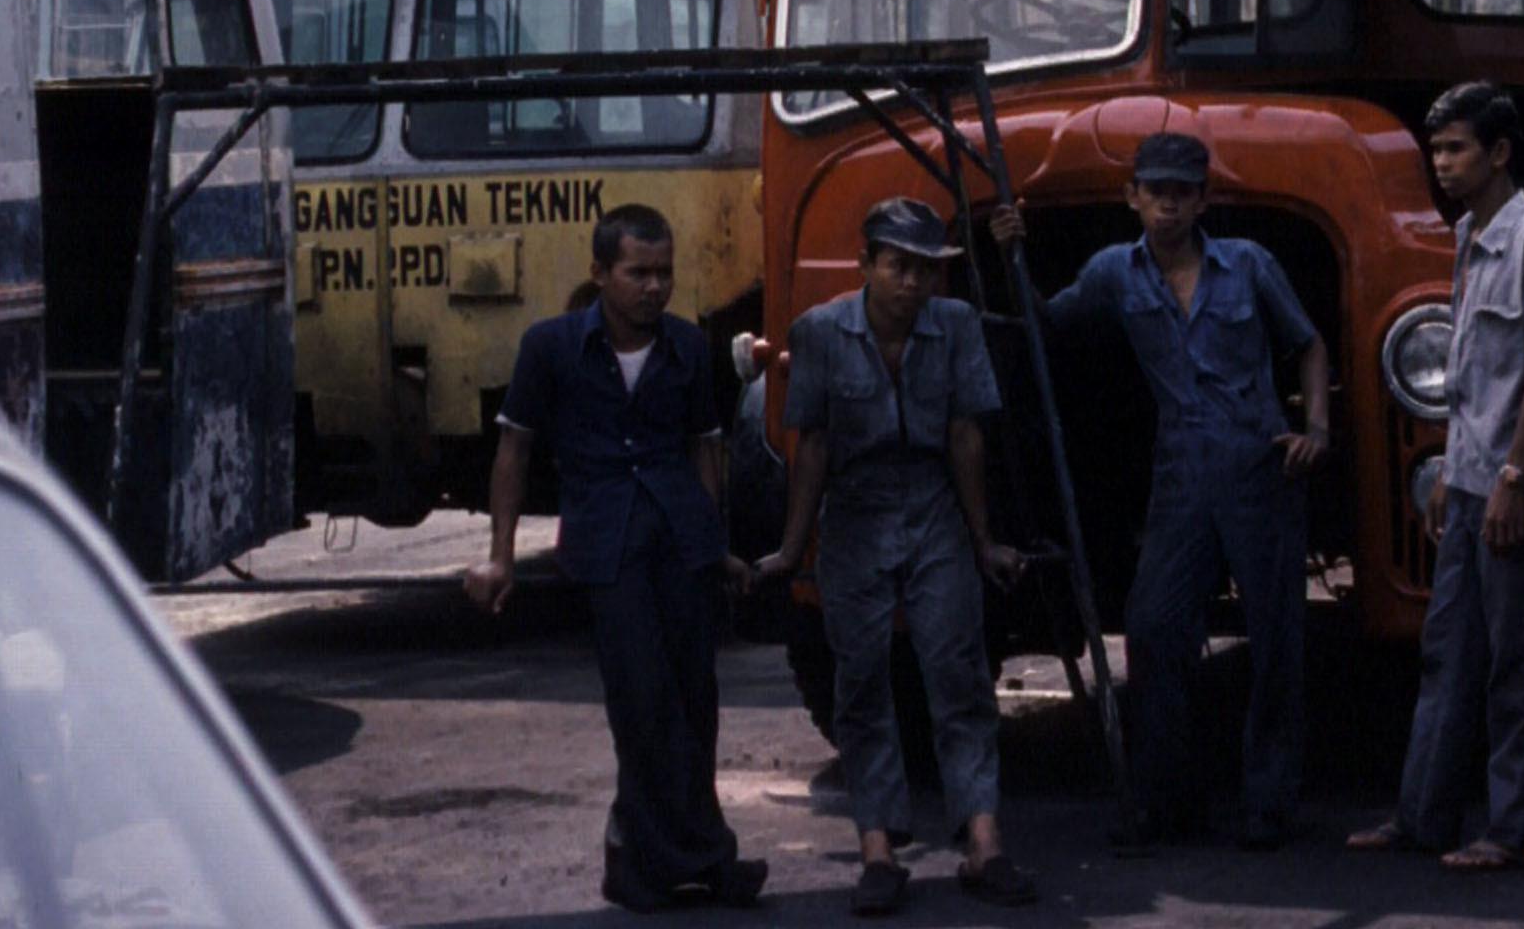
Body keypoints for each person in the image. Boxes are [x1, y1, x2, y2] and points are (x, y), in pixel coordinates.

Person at [1022, 130, 1330, 853]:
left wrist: (1316, 427)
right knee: (1155, 627)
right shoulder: (1114, 272)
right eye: (1155, 191)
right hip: (1181, 471)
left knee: (1276, 638)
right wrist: (1012, 254)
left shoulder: (1247, 263)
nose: (1167, 204)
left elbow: (1308, 343)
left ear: (1203, 201)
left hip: (1260, 464)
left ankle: (1269, 802)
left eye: (1182, 192)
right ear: (1131, 197)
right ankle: (1169, 801)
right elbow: (1049, 326)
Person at [466, 204, 766, 915]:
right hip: (607, 547)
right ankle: (669, 861)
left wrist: (715, 544)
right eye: (638, 273)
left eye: (664, 273)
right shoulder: (550, 347)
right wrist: (500, 557)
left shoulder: (687, 346)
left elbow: (704, 447)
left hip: (681, 544)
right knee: (642, 702)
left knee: (695, 701)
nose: (654, 287)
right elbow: (514, 450)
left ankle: (667, 860)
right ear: (600, 273)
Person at [750, 199, 1039, 914]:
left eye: (925, 270)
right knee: (860, 683)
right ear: (866, 265)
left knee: (959, 674)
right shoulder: (819, 332)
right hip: (855, 514)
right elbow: (812, 447)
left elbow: (966, 437)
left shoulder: (957, 325)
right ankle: (878, 851)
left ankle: (984, 843)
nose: (912, 283)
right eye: (898, 266)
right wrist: (792, 547)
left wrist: (982, 541)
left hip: (935, 509)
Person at [1348, 81, 1524, 871]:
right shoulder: (1468, 237)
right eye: (1436, 150)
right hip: (1475, 477)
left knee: (1516, 660)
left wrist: (1513, 475)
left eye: (1456, 149)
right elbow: (1472, 372)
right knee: (1448, 650)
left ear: (1499, 152)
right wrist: (1454, 463)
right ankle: (1425, 815)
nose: (1442, 164)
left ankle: (1519, 829)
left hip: (1516, 487)